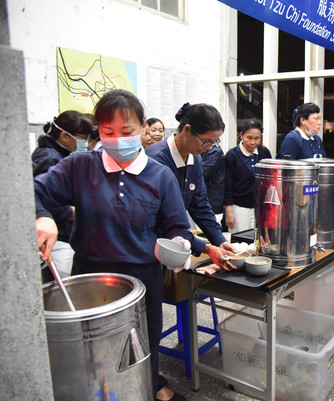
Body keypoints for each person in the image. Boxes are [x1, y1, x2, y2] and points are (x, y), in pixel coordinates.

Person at [34, 89, 233, 401]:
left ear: (142, 128)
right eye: (107, 132)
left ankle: (143, 391)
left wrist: (180, 246)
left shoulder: (160, 176)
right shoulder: (80, 166)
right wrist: (43, 217)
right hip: (92, 277)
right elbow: (33, 192)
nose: (117, 139)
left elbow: (175, 226)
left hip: (143, 280)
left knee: (143, 345)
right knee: (94, 355)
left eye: (126, 131)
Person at [145, 102, 236, 256]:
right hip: (152, 243)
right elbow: (162, 218)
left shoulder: (195, 159)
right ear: (187, 130)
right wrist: (204, 247)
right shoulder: (155, 159)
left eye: (214, 142)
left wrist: (220, 240)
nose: (209, 147)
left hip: (174, 240)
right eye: (207, 141)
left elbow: (200, 205)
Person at [32, 111, 93, 276]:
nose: (86, 143)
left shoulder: (63, 155)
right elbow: (37, 198)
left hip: (66, 234)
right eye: (82, 138)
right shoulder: (50, 159)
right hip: (58, 237)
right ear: (65, 136)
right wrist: (71, 211)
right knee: (63, 282)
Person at [224, 119, 272, 233]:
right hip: (239, 208)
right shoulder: (232, 156)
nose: (253, 142)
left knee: (257, 242)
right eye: (249, 138)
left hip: (260, 207)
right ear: (241, 136)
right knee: (239, 243)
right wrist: (229, 212)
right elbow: (227, 186)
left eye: (257, 138)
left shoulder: (264, 152)